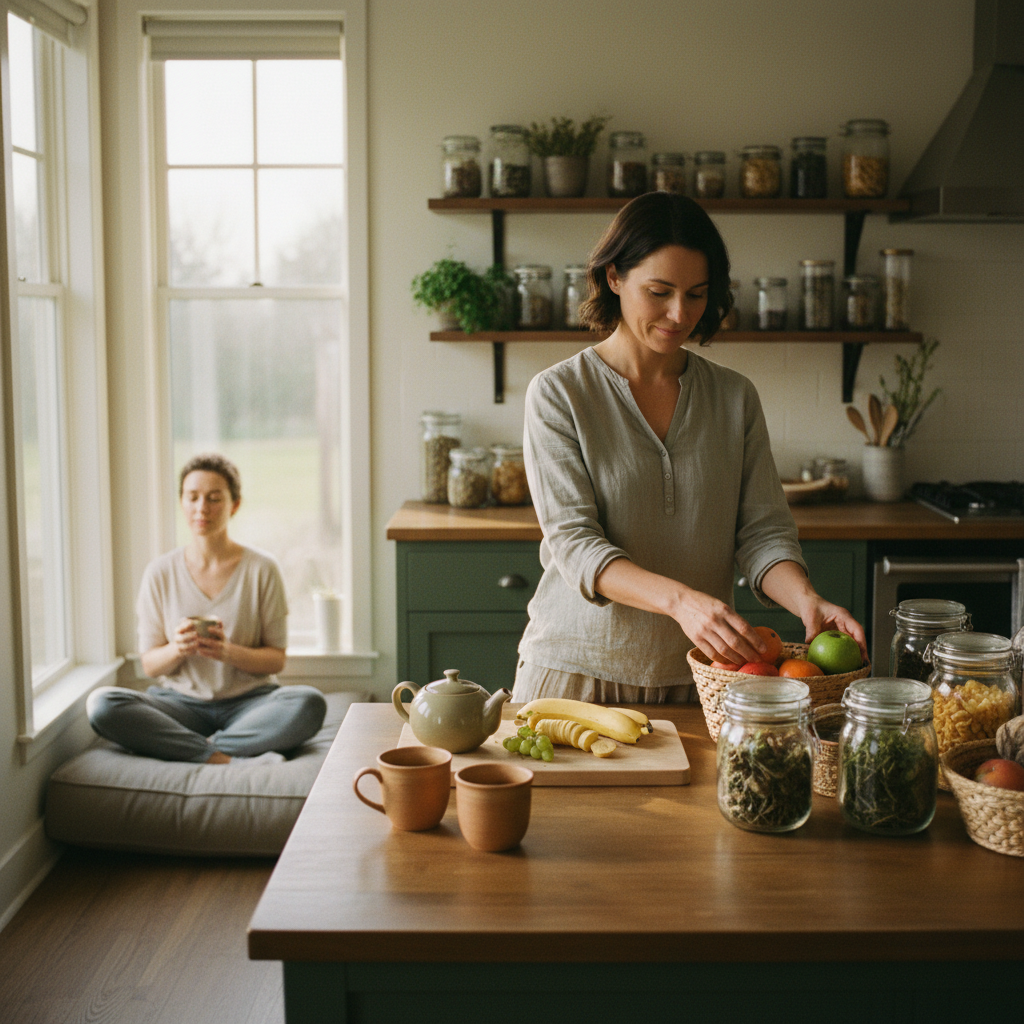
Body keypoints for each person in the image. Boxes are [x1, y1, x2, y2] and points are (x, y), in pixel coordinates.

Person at [513, 191, 866, 704]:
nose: (680, 314)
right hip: (576, 675)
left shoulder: (733, 396)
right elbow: (575, 544)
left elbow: (762, 533)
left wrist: (806, 600)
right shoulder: (559, 393)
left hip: (706, 679)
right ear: (614, 277)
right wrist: (682, 603)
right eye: (659, 291)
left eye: (697, 294)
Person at [87, 453, 326, 763]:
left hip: (250, 704)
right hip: (179, 705)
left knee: (309, 703)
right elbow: (150, 665)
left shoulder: (262, 569)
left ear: (234, 505)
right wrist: (178, 649)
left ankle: (194, 749)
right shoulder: (160, 572)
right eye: (193, 497)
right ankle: (221, 756)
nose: (202, 508)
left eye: (214, 498)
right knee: (103, 705)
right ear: (182, 502)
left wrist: (227, 652)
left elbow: (275, 660)